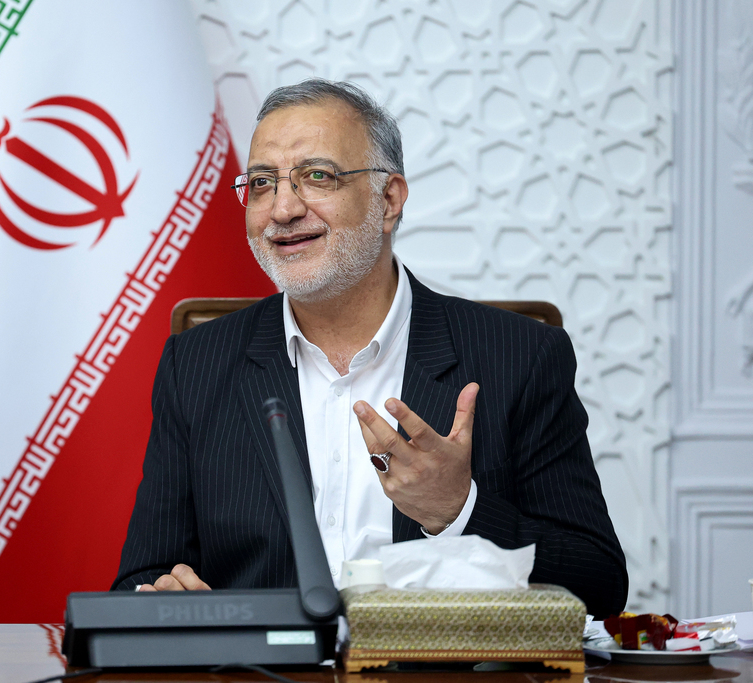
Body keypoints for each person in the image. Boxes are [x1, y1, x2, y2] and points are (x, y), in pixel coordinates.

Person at [112, 78, 627, 618]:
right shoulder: (195, 365)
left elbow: (598, 585)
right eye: (262, 183)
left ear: (389, 200)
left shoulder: (519, 357)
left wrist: (458, 510)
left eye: (317, 176)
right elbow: (142, 577)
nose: (282, 209)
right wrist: (164, 599)